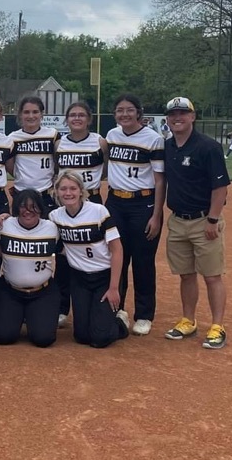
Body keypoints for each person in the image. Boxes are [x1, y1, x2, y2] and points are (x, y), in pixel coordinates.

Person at [162, 97, 230, 349]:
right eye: (172, 114)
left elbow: (220, 187)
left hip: (204, 220)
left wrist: (213, 219)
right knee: (186, 275)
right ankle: (188, 321)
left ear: (193, 116)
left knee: (212, 276)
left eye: (182, 113)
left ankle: (217, 325)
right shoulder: (168, 146)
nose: (177, 117)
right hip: (178, 220)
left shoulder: (208, 147)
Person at [105, 94, 165, 336]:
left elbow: (160, 180)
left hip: (143, 202)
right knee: (116, 258)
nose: (125, 114)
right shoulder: (112, 136)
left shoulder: (153, 139)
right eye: (120, 110)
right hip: (116, 202)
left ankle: (144, 314)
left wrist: (157, 214)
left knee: (142, 261)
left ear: (139, 112)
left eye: (129, 110)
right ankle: (117, 309)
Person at [49, 170, 130, 348]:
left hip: (104, 277)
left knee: (100, 339)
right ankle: (100, 319)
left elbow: (117, 250)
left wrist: (114, 288)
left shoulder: (98, 211)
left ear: (81, 191)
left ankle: (120, 323)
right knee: (82, 336)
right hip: (79, 279)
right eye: (63, 189)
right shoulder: (56, 217)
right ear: (56, 191)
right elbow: (52, 242)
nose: (68, 193)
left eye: (72, 188)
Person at [54, 101, 108, 327]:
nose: (77, 118)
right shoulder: (59, 143)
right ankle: (63, 307)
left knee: (96, 248)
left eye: (81, 115)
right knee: (63, 254)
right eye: (72, 115)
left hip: (91, 197)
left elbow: (106, 169)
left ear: (89, 119)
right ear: (66, 119)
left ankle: (107, 303)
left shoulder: (100, 141)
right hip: (65, 199)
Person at [0, 190, 60, 347]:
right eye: (23, 206)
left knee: (43, 339)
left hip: (42, 292)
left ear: (41, 209)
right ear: (16, 208)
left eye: (33, 206)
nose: (28, 211)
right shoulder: (5, 226)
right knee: (4, 337)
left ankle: (32, 316)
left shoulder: (52, 228)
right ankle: (20, 316)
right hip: (11, 291)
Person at [6, 96, 60, 212]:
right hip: (21, 192)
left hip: (46, 193)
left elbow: (58, 160)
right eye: (26, 112)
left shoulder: (52, 135)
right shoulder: (13, 138)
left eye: (35, 112)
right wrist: (21, 175)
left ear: (42, 114)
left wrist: (55, 174)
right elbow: (10, 165)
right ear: (20, 114)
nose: (31, 116)